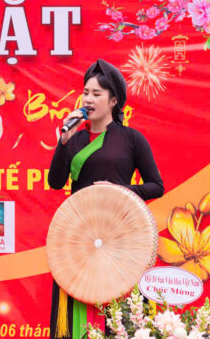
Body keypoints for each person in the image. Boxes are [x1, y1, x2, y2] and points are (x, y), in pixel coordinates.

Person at [47, 59, 164, 339]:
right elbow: (55, 182)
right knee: (75, 309)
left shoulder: (131, 139)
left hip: (120, 239)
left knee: (117, 316)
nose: (88, 99)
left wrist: (120, 190)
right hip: (79, 239)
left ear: (113, 100)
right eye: (86, 92)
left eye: (96, 94)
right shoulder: (75, 139)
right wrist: (63, 142)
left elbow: (156, 186)